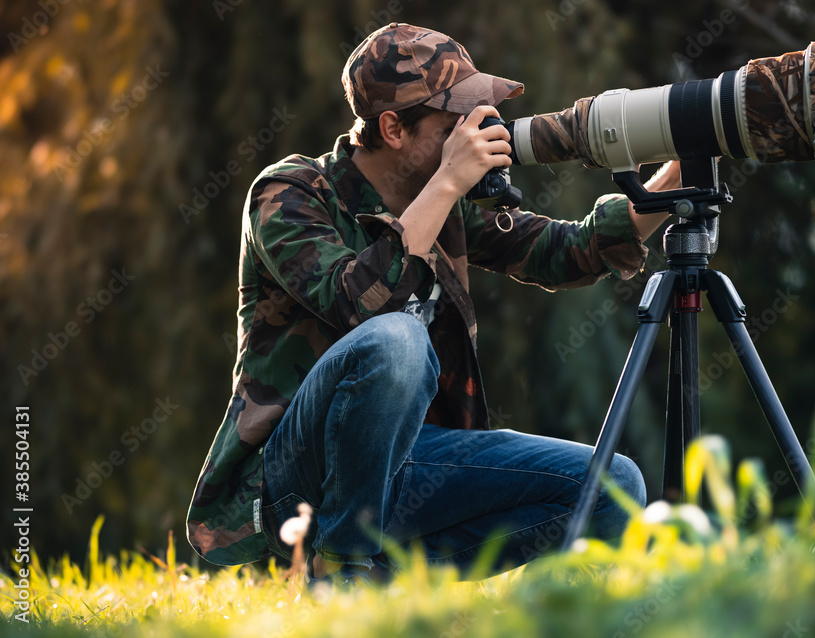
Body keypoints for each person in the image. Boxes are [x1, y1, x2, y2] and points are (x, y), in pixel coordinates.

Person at [186, 22, 681, 588]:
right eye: (456, 123)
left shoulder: (450, 203)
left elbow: (567, 252)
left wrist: (683, 165)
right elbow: (356, 303)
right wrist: (446, 183)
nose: (479, 133)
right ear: (393, 127)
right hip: (295, 475)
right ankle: (339, 574)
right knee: (396, 338)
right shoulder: (291, 193)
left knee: (614, 484)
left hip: (405, 469)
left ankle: (390, 579)